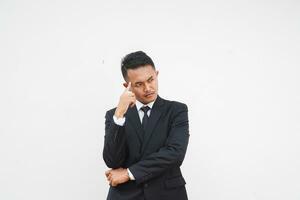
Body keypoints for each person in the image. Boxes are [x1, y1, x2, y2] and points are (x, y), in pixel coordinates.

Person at [103, 51, 190, 200]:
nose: (148, 88)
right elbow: (112, 161)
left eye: (151, 80)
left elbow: (175, 154)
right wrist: (119, 115)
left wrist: (129, 173)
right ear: (127, 86)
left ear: (156, 74)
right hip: (125, 196)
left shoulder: (177, 110)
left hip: (168, 194)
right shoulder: (115, 115)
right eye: (139, 84)